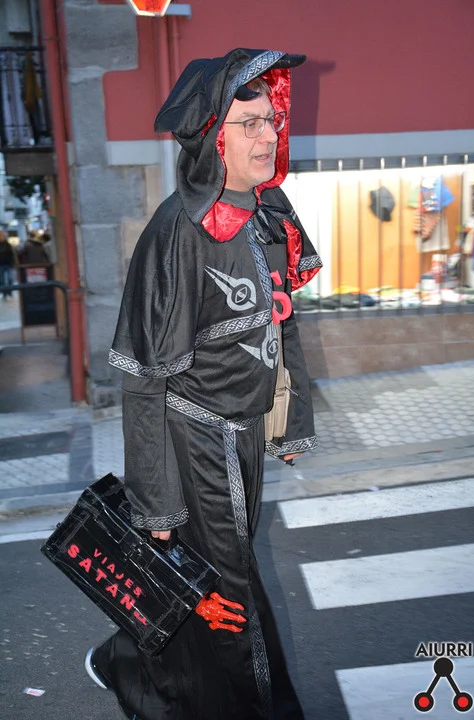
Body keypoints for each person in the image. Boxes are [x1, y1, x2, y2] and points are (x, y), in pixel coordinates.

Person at [86, 48, 322, 720]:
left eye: (271, 119)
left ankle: (133, 664)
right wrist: (155, 505)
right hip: (196, 442)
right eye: (249, 123)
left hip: (244, 435)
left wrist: (290, 419)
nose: (268, 134)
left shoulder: (271, 212)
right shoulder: (177, 234)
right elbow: (143, 380)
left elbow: (282, 320)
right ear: (212, 136)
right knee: (232, 593)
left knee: (200, 579)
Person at [0, 231, 16, 300]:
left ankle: (9, 291)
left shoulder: (7, 244)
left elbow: (12, 254)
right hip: (1, 264)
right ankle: (4, 293)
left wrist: (13, 262)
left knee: (10, 278)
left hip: (8, 263)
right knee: (2, 280)